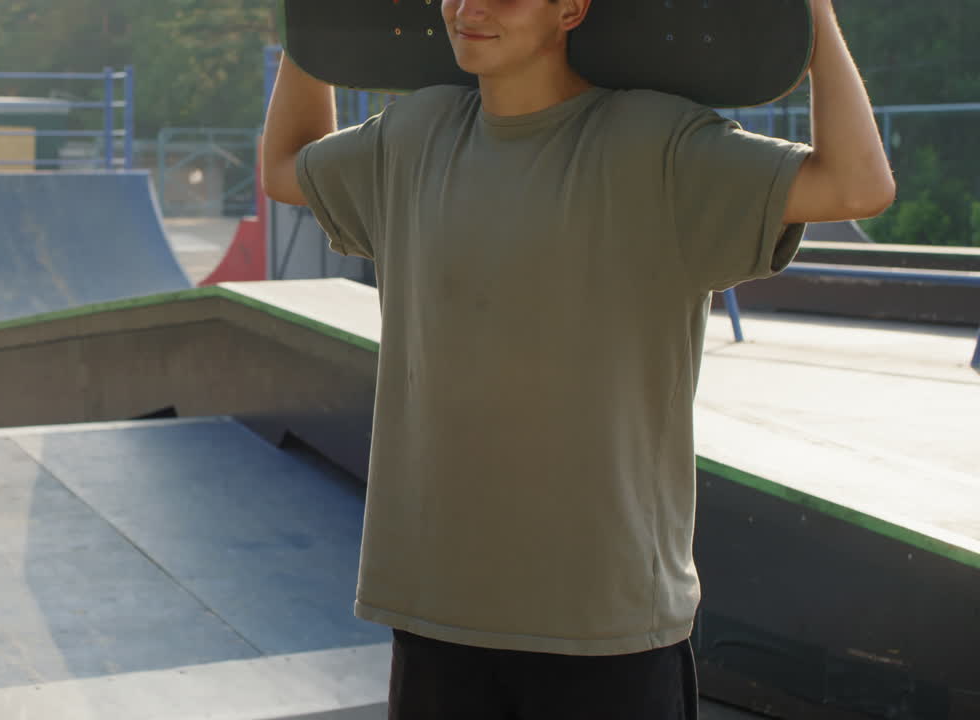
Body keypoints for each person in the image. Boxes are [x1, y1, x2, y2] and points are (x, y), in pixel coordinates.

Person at [261, 0, 894, 718]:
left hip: (605, 629)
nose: (470, 8)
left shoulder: (656, 143)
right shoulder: (416, 134)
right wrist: (308, 29)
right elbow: (287, 169)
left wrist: (812, 19)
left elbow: (857, 186)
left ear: (571, 7)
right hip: (438, 611)